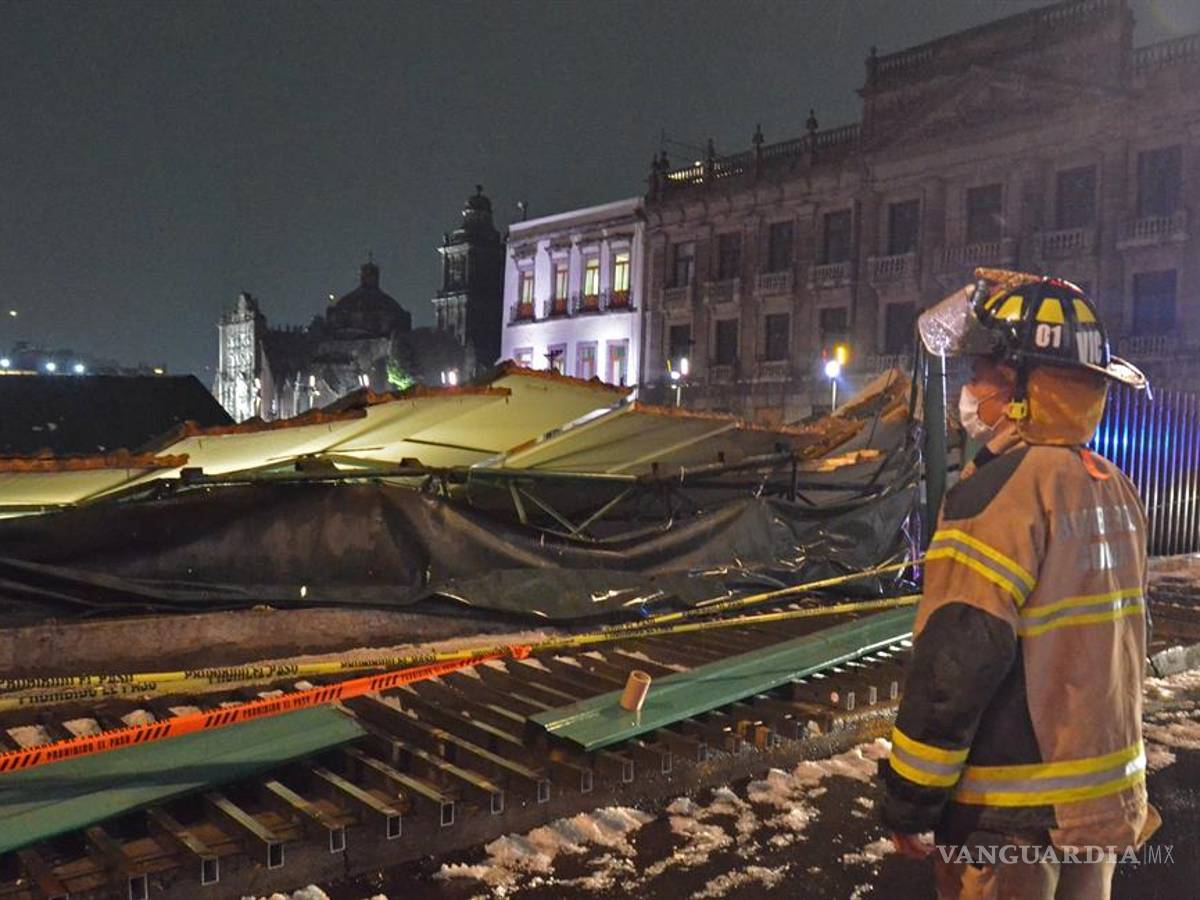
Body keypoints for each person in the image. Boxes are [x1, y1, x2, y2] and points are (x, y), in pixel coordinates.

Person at [880, 269, 1158, 899]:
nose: (971, 389)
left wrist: (910, 798)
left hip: (1010, 817)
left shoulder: (997, 494)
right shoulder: (1111, 486)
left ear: (1025, 388)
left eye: (982, 373)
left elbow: (957, 658)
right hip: (1099, 807)